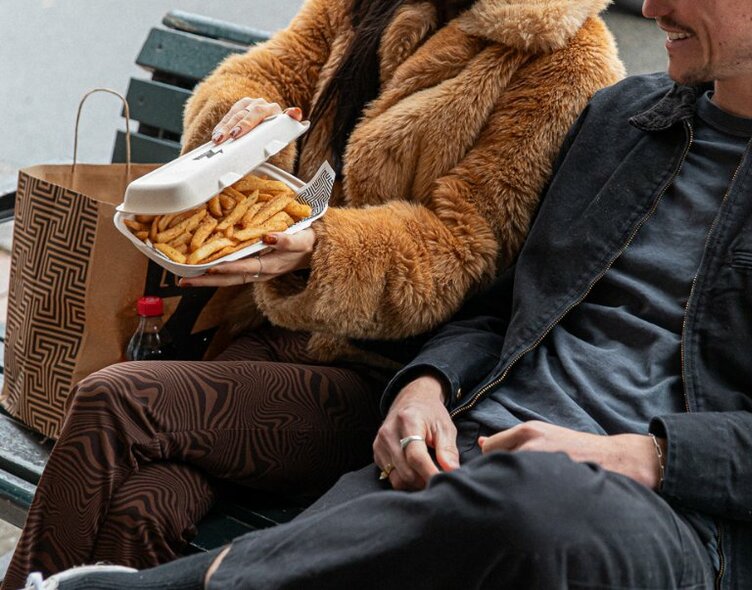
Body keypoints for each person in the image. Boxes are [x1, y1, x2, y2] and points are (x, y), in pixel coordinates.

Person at [18, 0, 752, 588]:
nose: (648, 5)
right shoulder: (624, 119)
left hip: (669, 515)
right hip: (467, 449)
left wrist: (637, 455)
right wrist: (425, 387)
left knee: (536, 502)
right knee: (145, 489)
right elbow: (504, 307)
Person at [0, 1, 624, 588]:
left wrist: (322, 251)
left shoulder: (563, 58)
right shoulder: (363, 6)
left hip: (388, 381)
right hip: (269, 335)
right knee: (144, 506)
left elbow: (464, 247)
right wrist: (240, 119)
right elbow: (264, 75)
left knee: (116, 400)